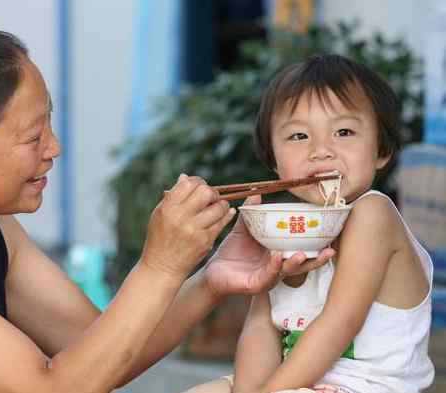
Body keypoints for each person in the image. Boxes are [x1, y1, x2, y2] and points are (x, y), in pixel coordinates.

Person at [0, 24, 335, 393]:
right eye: (33, 137)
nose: (54, 147)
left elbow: (97, 352)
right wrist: (159, 265)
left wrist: (210, 280)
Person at [184, 54, 435, 393]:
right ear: (274, 160)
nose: (321, 151)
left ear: (381, 149)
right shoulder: (285, 227)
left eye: (343, 131)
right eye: (299, 136)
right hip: (292, 383)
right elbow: (261, 329)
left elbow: (340, 322)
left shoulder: (373, 214)